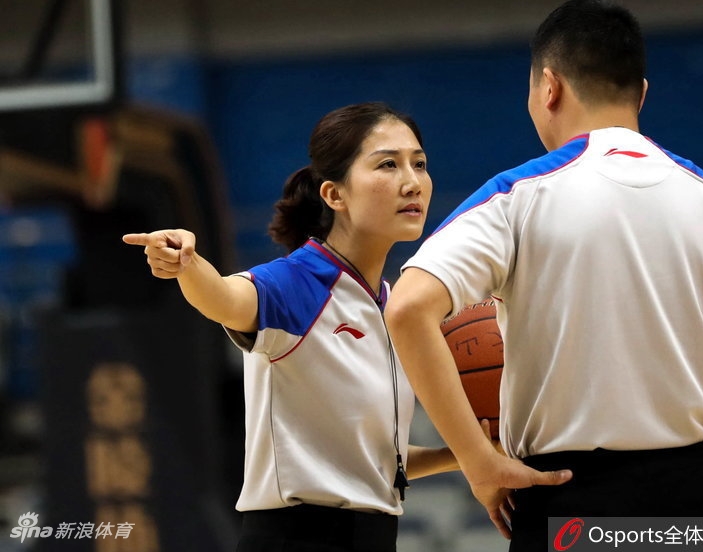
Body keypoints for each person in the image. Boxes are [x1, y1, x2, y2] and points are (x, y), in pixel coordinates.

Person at [384, 0, 703, 551]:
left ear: (549, 88)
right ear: (641, 94)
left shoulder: (515, 196)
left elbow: (406, 309)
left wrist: (478, 462)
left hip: (568, 499)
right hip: (695, 500)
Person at [123, 102, 476, 552]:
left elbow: (377, 462)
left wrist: (474, 451)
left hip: (375, 536)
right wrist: (187, 265)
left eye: (419, 163)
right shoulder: (297, 282)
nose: (413, 181)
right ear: (334, 195)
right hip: (297, 537)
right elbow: (225, 299)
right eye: (388, 164)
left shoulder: (392, 304)